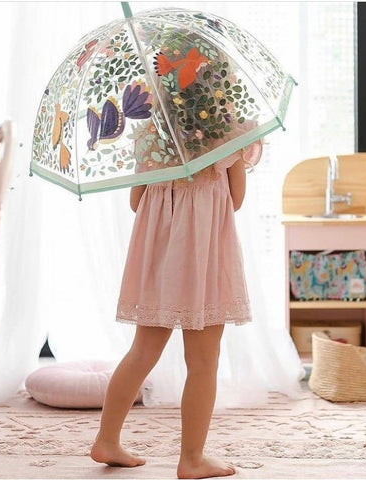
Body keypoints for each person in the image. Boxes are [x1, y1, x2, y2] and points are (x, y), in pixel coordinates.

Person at [90, 34, 262, 478]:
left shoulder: (150, 129)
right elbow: (237, 199)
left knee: (142, 351)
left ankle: (106, 440)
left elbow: (134, 202)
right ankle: (191, 459)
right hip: (205, 257)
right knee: (203, 360)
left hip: (158, 257)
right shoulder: (227, 129)